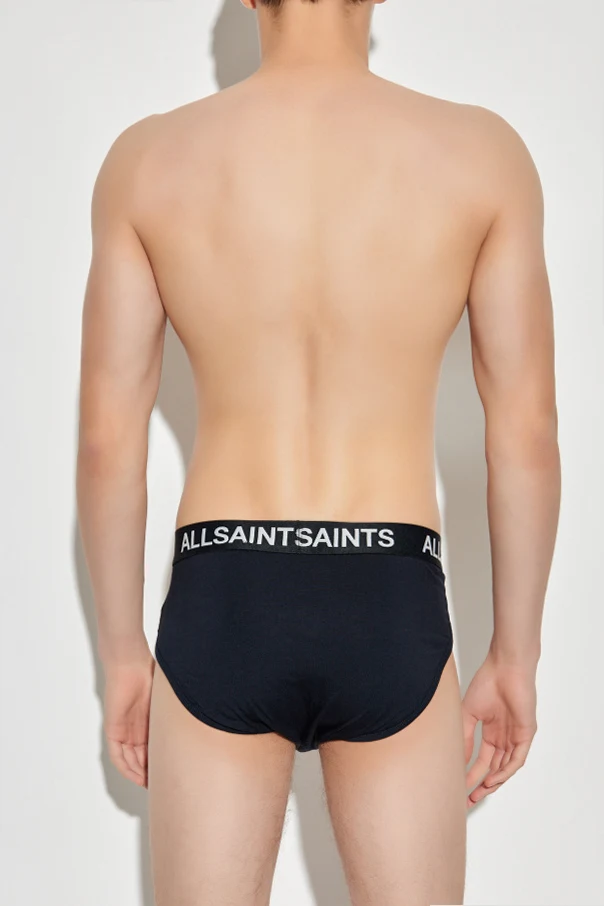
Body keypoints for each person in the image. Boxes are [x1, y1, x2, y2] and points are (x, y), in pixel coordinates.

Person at [76, 0, 561, 903]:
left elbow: (109, 441)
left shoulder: (149, 161)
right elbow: (524, 432)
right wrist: (515, 655)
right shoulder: (482, 156)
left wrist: (122, 656)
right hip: (389, 589)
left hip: (224, 588)